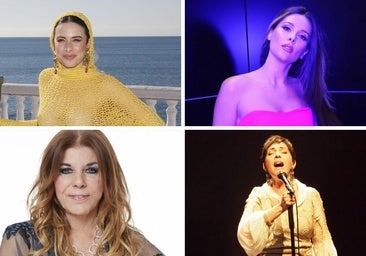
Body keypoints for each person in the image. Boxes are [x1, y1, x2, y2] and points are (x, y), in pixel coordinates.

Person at [0, 130, 164, 256]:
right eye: (66, 170)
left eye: (91, 170)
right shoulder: (22, 239)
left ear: (107, 178)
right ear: (51, 178)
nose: (79, 182)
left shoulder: (131, 244)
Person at [0, 11, 164, 126]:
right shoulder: (46, 77)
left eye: (76, 39)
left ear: (87, 44)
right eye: (61, 40)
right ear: (53, 44)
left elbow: (155, 126)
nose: (68, 47)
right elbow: (43, 126)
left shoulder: (105, 85)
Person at [213, 6, 339, 126]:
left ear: (304, 52)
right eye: (287, 28)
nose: (292, 38)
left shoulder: (305, 89)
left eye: (302, 36)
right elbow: (219, 146)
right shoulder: (233, 87)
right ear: (270, 33)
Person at [237, 135, 337, 255]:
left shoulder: (310, 195)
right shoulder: (258, 195)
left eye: (283, 152)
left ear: (293, 163)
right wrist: (280, 208)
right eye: (271, 153)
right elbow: (246, 235)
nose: (277, 155)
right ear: (264, 166)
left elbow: (322, 242)